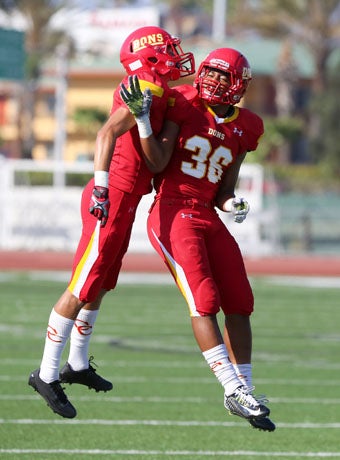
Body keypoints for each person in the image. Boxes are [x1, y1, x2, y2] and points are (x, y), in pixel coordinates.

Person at [28, 26, 195, 419]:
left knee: (101, 281)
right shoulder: (146, 86)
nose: (177, 54)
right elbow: (105, 134)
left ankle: (79, 363)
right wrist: (102, 188)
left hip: (129, 196)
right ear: (151, 56)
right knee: (83, 282)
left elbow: (155, 160)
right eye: (168, 49)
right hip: (113, 193)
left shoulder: (161, 92)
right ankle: (47, 373)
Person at [120, 48, 275, 431]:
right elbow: (157, 163)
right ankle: (230, 387)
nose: (215, 81)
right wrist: (142, 120)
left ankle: (247, 390)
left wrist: (232, 201)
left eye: (225, 77)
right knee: (203, 299)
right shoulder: (185, 103)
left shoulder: (248, 126)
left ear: (239, 83)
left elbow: (225, 187)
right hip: (173, 209)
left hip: (207, 212)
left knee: (240, 300)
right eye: (213, 73)